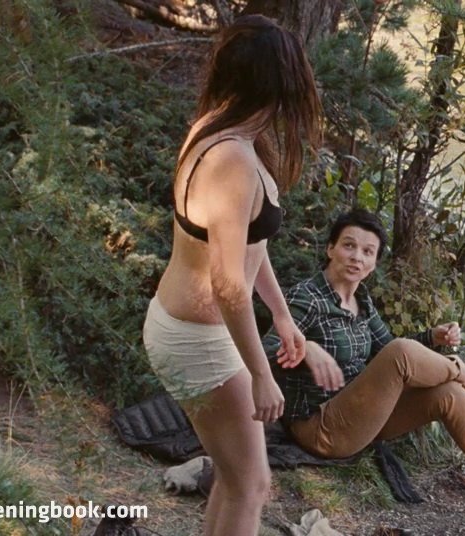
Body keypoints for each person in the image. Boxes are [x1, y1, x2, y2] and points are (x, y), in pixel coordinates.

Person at [141, 15, 321, 536]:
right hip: (196, 341)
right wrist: (261, 373)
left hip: (193, 331)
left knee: (236, 477)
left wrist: (282, 315)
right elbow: (226, 284)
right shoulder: (232, 160)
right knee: (251, 484)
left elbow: (247, 246)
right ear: (281, 81)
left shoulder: (221, 128)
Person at [262, 209, 465, 501]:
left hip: (362, 416)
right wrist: (307, 348)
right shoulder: (307, 297)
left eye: (367, 251)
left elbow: (391, 352)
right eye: (348, 245)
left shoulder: (361, 301)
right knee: (405, 354)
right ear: (331, 249)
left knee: (447, 392)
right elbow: (264, 352)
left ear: (374, 263)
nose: (357, 257)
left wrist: (432, 337)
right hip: (321, 428)